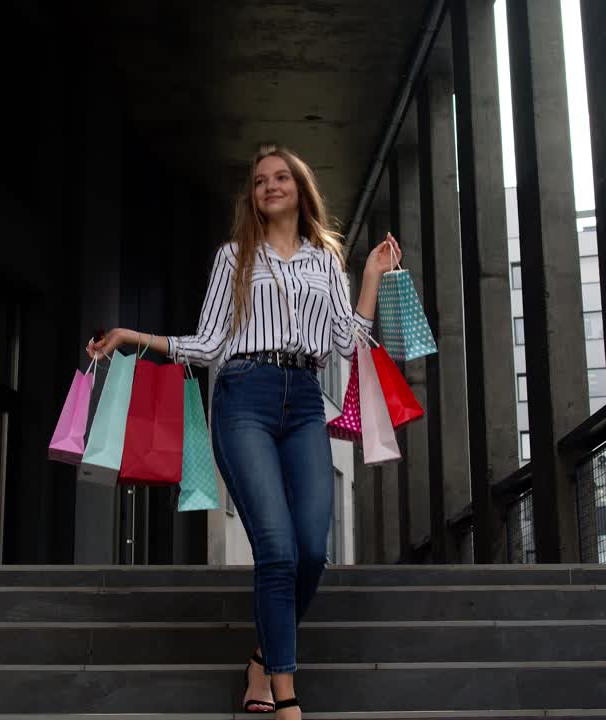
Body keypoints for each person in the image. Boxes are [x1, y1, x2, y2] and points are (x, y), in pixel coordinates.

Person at [88, 144, 399, 719]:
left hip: (304, 401)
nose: (270, 187)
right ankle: (287, 701)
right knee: (276, 549)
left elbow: (342, 340)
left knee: (310, 551)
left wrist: (372, 277)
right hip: (243, 398)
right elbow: (207, 345)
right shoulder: (234, 257)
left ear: (301, 189)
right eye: (260, 181)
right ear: (252, 196)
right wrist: (135, 337)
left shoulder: (325, 259)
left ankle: (262, 659)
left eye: (281, 178)